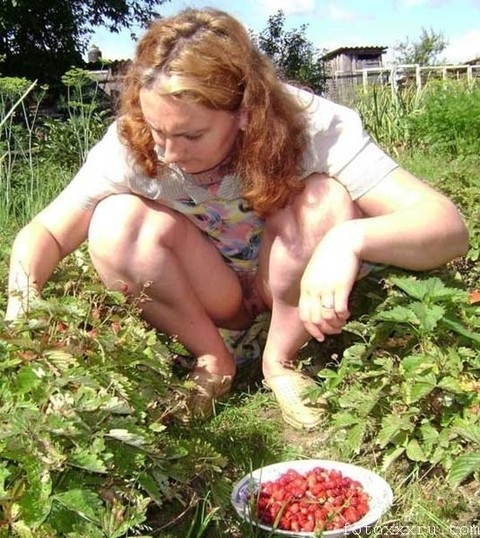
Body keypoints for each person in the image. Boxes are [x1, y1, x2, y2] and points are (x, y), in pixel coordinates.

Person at [5, 8, 468, 430]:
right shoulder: (134, 140)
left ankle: (281, 362)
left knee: (323, 197)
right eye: (157, 129)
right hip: (211, 297)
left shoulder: (313, 126)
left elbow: (445, 227)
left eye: (191, 134)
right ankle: (213, 358)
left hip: (292, 287)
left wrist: (349, 240)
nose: (168, 152)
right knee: (114, 222)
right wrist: (21, 312)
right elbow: (44, 232)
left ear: (245, 112)